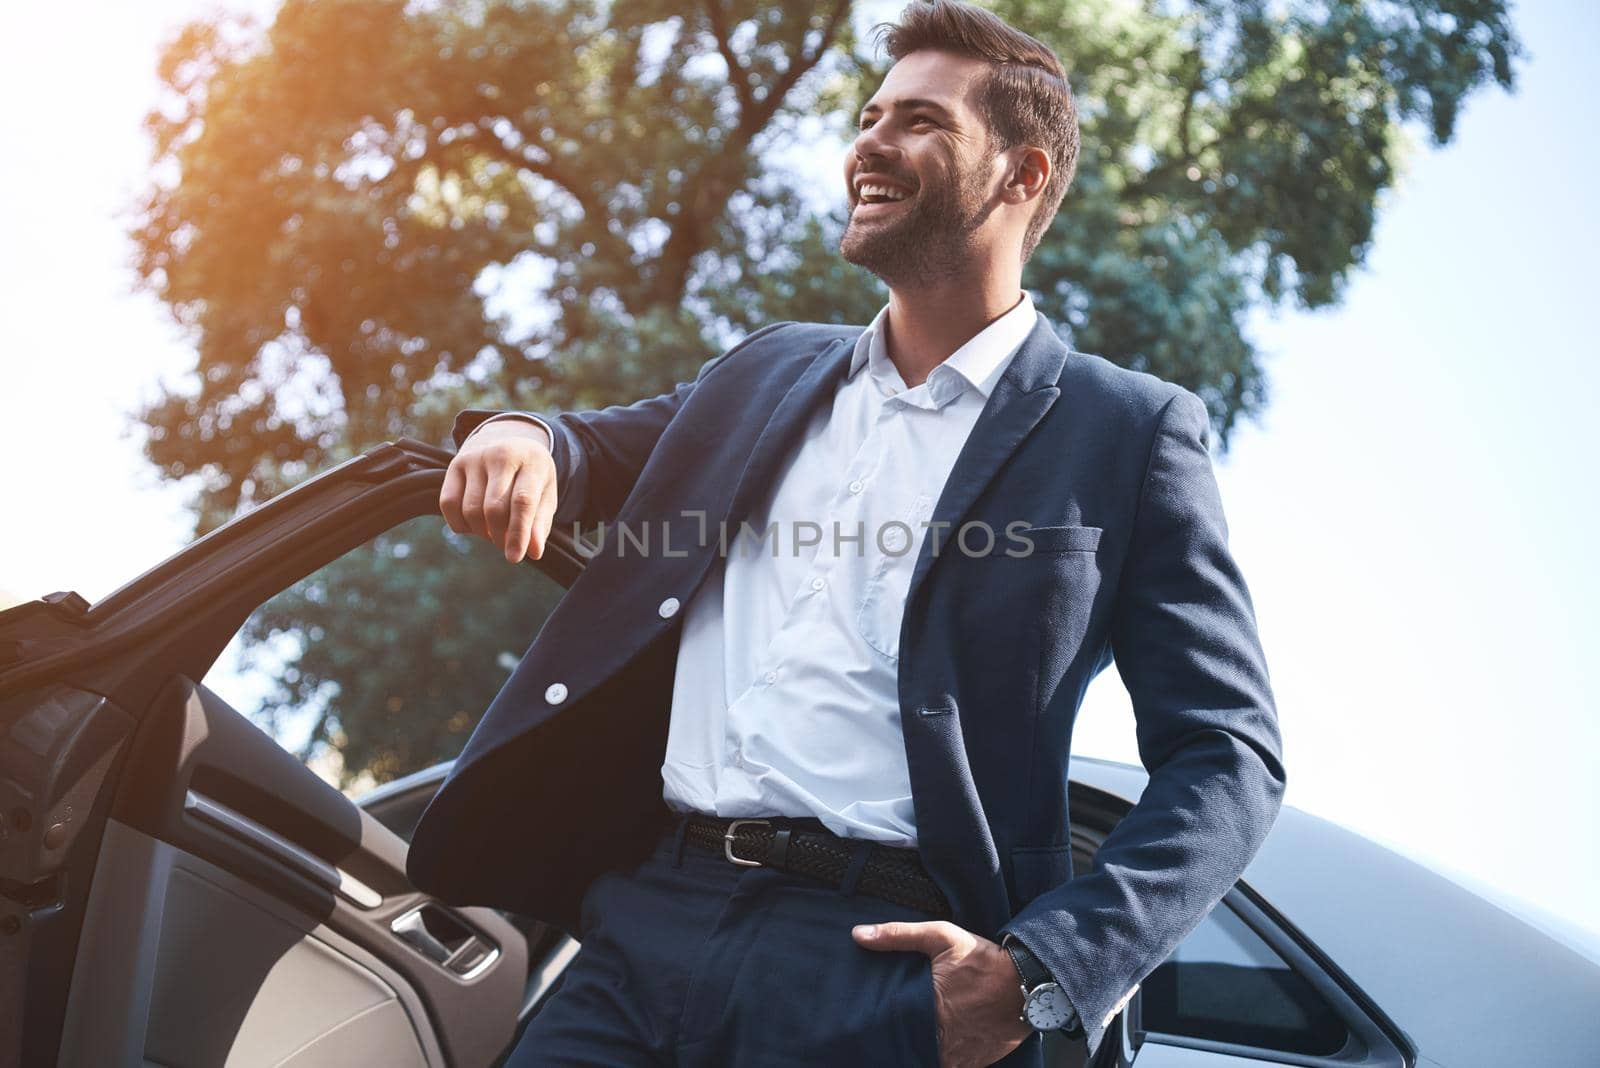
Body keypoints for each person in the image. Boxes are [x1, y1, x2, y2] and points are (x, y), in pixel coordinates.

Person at [408, 2, 1286, 1065]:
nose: (868, 142)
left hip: (880, 972)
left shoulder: (1129, 433)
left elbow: (1227, 754)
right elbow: (588, 449)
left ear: (1022, 175)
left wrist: (1042, 975)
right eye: (868, 115)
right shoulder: (765, 370)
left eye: (919, 121)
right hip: (644, 927)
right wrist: (521, 435)